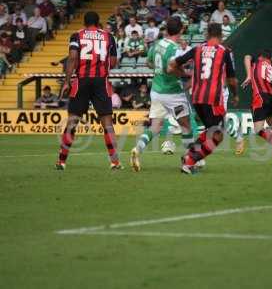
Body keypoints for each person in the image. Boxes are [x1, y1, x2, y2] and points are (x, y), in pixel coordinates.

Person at [169, 23, 239, 174]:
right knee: (218, 135)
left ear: (207, 34)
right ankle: (190, 161)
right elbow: (232, 80)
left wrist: (184, 75)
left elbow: (173, 64)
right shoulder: (224, 51)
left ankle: (189, 155)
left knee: (210, 131)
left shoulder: (197, 49)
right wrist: (235, 95)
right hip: (212, 99)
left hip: (196, 98)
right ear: (221, 35)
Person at [55, 11, 122, 170]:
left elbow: (72, 58)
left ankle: (61, 161)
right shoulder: (108, 36)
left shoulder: (76, 35)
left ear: (84, 23)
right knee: (107, 123)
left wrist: (66, 81)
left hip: (81, 81)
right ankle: (115, 162)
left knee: (72, 122)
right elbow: (112, 62)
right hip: (101, 82)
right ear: (98, 22)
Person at [130, 17, 195, 172]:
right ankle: (189, 160)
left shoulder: (157, 44)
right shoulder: (174, 48)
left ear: (166, 30)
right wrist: (185, 74)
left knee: (155, 127)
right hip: (173, 93)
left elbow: (148, 63)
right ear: (180, 31)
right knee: (186, 126)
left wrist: (159, 71)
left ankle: (137, 150)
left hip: (157, 91)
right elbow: (171, 68)